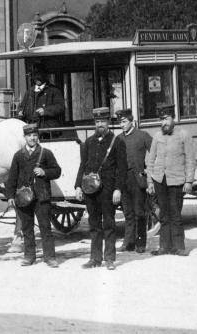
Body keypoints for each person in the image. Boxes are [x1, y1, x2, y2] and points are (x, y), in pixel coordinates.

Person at [75, 107, 127, 270]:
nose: (100, 125)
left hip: (108, 189)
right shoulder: (88, 142)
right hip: (90, 190)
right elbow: (83, 165)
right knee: (94, 224)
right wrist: (78, 186)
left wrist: (118, 189)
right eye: (97, 122)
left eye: (103, 121)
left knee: (109, 223)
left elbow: (122, 168)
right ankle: (95, 258)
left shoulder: (117, 141)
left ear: (108, 122)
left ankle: (109, 258)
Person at [6, 123, 61, 268]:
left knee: (45, 228)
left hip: (42, 197)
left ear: (38, 137)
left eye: (35, 135)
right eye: (29, 135)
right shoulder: (18, 155)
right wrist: (10, 196)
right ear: (24, 137)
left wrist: (45, 172)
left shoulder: (46, 153)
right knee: (27, 228)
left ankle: (50, 257)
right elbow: (12, 178)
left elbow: (57, 171)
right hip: (23, 198)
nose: (32, 138)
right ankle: (29, 256)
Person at [145, 104, 195, 256]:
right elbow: (150, 160)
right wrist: (150, 181)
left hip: (177, 180)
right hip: (160, 180)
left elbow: (190, 159)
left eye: (166, 119)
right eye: (161, 119)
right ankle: (164, 246)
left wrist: (189, 181)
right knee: (163, 215)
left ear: (173, 118)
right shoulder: (157, 136)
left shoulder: (183, 135)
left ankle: (179, 246)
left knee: (175, 214)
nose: (164, 123)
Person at [115, 108, 153, 253]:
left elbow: (155, 152)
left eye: (124, 122)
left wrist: (148, 170)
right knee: (128, 213)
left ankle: (141, 243)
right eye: (120, 122)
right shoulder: (118, 139)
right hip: (124, 179)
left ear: (132, 121)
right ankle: (128, 242)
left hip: (138, 179)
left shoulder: (142, 136)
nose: (122, 125)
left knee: (139, 212)